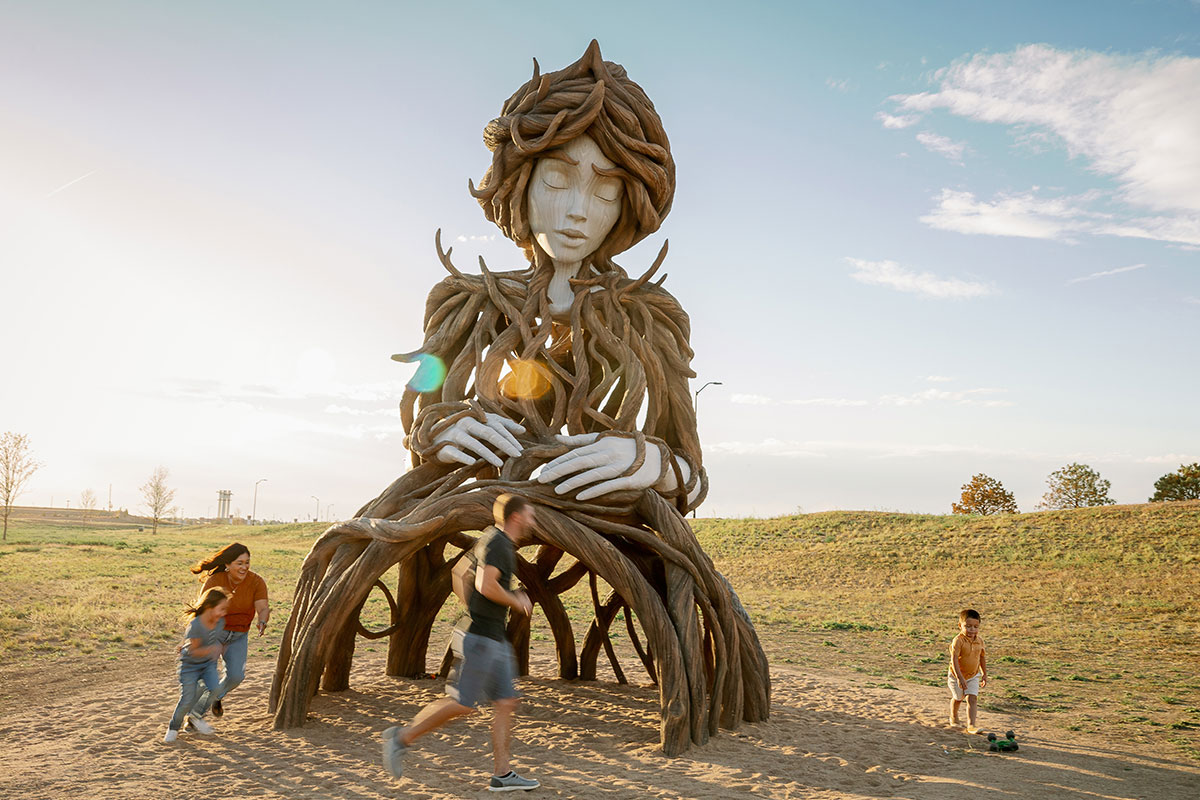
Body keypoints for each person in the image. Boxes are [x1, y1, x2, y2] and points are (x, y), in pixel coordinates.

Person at [382, 494, 540, 792]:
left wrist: (474, 608)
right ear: (516, 517)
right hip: (481, 638)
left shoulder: (489, 539)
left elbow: (459, 574)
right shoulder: (500, 544)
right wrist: (515, 601)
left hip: (492, 635)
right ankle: (401, 738)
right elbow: (485, 584)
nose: (533, 520)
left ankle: (502, 774)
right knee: (462, 704)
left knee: (506, 701)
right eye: (530, 514)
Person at [190, 542, 269, 720]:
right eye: (239, 563)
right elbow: (202, 609)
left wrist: (262, 620)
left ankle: (217, 696)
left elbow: (263, 607)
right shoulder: (216, 580)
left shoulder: (256, 581)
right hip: (215, 632)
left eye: (247, 562)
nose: (244, 567)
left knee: (236, 676)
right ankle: (194, 717)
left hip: (239, 635)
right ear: (227, 564)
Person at [165, 587, 228, 743]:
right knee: (186, 700)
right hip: (189, 667)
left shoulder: (220, 622)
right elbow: (193, 651)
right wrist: (212, 649)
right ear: (209, 607)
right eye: (221, 609)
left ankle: (195, 717)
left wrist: (220, 647)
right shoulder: (196, 625)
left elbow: (218, 640)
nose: (224, 613)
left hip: (208, 665)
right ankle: (173, 728)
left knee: (216, 690)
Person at [948, 608, 988, 732]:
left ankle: (971, 725)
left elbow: (981, 658)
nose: (972, 629)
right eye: (968, 626)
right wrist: (959, 678)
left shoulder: (979, 641)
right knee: (958, 698)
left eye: (975, 626)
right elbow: (954, 659)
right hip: (956, 676)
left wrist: (984, 674)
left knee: (972, 698)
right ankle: (954, 717)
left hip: (973, 675)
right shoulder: (958, 641)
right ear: (960, 626)